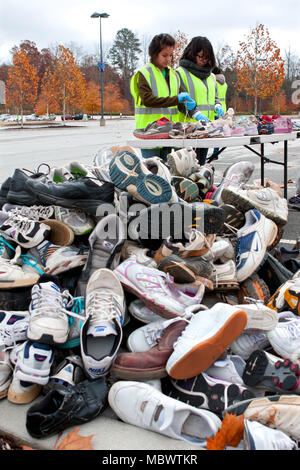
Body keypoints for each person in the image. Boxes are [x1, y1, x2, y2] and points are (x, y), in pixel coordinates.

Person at [130, 33, 195, 160]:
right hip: (149, 132)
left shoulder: (174, 75)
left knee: (168, 171)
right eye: (164, 55)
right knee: (153, 172)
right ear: (154, 54)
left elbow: (180, 100)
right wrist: (177, 99)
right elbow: (148, 100)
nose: (168, 59)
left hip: (168, 132)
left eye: (171, 55)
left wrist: (189, 105)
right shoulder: (145, 73)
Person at [176, 37, 224, 165]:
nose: (203, 61)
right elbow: (178, 100)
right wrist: (195, 113)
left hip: (205, 131)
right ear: (192, 54)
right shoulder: (180, 73)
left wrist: (218, 106)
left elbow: (215, 99)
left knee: (201, 168)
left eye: (207, 58)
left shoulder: (212, 77)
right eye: (200, 57)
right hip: (186, 133)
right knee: (185, 171)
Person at [211, 66, 228, 157]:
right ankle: (216, 152)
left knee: (214, 132)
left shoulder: (213, 82)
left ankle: (215, 153)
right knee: (219, 132)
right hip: (223, 108)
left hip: (215, 109)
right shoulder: (224, 84)